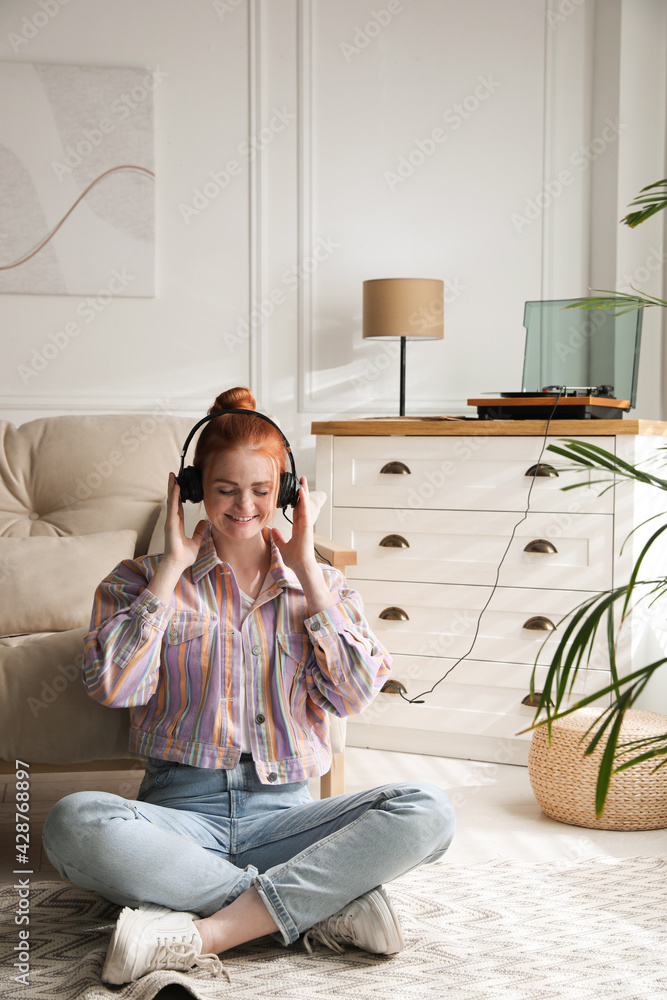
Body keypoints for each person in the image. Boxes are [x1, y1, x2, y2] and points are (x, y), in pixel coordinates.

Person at [42, 387, 456, 985]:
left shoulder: (323, 587)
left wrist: (308, 571)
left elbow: (357, 695)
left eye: (261, 490)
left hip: (286, 818)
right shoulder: (137, 581)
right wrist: (168, 572)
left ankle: (212, 929)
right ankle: (321, 907)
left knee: (429, 810)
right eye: (225, 489)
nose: (244, 505)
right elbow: (114, 687)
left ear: (287, 493)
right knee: (70, 824)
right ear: (192, 490)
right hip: (179, 818)